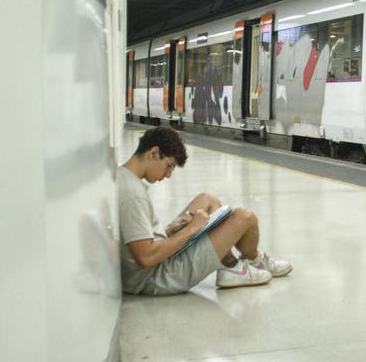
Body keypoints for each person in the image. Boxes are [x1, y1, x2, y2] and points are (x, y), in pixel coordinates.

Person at [118, 126, 292, 295]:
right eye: (169, 166)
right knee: (245, 217)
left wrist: (170, 232)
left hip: (156, 264)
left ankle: (230, 265)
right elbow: (146, 258)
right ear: (154, 153)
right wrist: (192, 229)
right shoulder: (134, 195)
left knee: (207, 199)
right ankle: (250, 262)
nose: (168, 175)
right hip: (159, 276)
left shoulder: (123, 176)